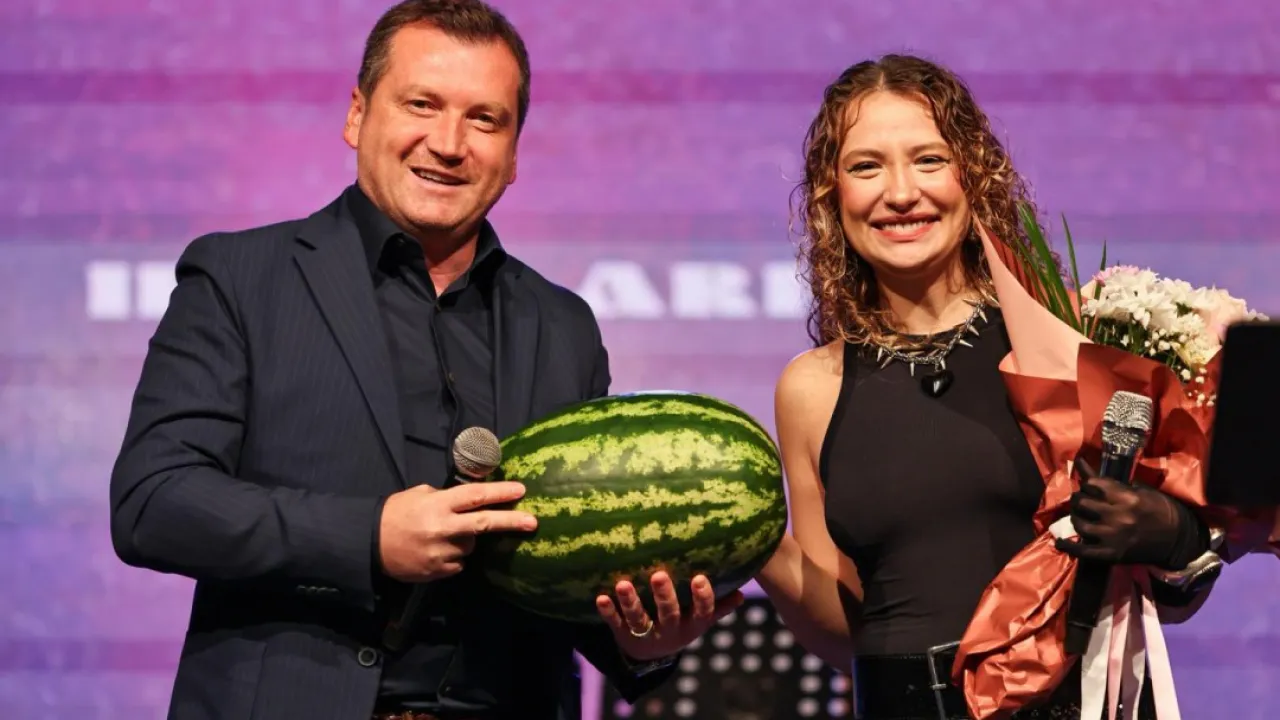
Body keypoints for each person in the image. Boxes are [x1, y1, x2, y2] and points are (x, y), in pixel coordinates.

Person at [107, 2, 738, 718]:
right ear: (357, 115)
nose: (448, 143)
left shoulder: (562, 326)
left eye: (484, 119)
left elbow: (568, 571)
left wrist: (643, 641)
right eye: (421, 105)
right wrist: (368, 538)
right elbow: (154, 502)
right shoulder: (242, 278)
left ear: (514, 153)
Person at [753, 54, 1219, 720]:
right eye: (865, 167)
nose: (901, 193)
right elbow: (844, 634)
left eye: (929, 160)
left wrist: (1173, 537)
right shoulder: (810, 387)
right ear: (832, 196)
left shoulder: (1065, 341)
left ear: (973, 173)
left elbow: (1172, 594)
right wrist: (755, 544)